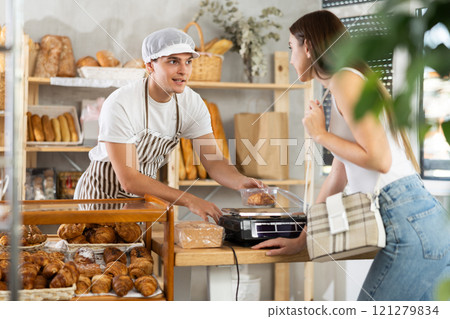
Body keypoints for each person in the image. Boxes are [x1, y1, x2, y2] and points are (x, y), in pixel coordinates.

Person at [252, 10, 449, 301]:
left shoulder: (345, 80)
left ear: (308, 48)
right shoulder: (342, 85)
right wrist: (304, 239)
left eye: (291, 48)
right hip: (420, 222)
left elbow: (380, 160)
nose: (291, 58)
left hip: (410, 221)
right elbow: (339, 173)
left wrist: (320, 135)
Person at [74, 28, 263, 223]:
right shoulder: (122, 103)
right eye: (173, 61)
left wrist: (241, 181)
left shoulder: (192, 103)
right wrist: (189, 200)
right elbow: (130, 180)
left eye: (188, 61)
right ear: (150, 65)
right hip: (101, 199)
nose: (183, 70)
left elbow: (213, 160)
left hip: (141, 202)